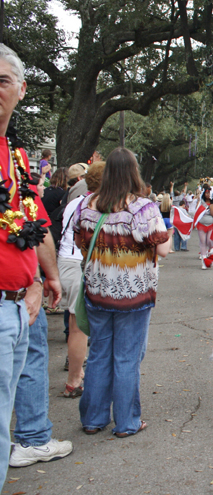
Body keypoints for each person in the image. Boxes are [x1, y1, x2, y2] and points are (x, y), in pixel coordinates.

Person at [0, 45, 66, 480]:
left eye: (2, 81)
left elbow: (34, 222)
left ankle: (31, 437)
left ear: (22, 90)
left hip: (20, 304)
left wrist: (46, 278)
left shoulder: (16, 157)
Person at [73, 147, 171, 437]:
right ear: (133, 172)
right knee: (127, 358)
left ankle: (93, 418)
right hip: (133, 294)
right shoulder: (143, 208)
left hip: (98, 291)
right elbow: (162, 249)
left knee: (100, 353)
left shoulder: (86, 205)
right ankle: (127, 421)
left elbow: (80, 242)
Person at [58, 161, 104, 399]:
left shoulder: (74, 202)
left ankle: (75, 369)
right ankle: (75, 379)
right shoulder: (96, 205)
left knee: (76, 322)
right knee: (81, 327)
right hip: (81, 263)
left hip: (65, 262)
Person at [196, 186, 213, 268]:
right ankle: (204, 260)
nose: (208, 194)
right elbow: (196, 211)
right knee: (202, 241)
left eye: (209, 193)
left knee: (209, 241)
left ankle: (210, 255)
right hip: (201, 224)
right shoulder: (201, 202)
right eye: (206, 193)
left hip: (211, 224)